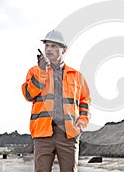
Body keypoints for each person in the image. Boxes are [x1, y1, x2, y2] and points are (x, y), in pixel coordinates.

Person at [21, 30, 91, 172]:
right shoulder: (34, 71)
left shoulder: (76, 76)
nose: (49, 50)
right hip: (43, 133)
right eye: (47, 46)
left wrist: (81, 123)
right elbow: (28, 94)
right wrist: (42, 72)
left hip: (68, 134)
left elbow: (85, 102)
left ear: (64, 49)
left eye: (53, 46)